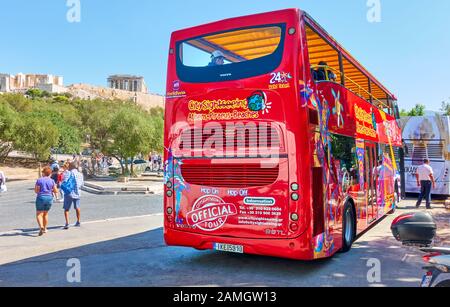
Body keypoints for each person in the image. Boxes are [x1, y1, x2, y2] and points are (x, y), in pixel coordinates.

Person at [35, 166, 58, 236]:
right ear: (50, 173)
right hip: (49, 197)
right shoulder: (52, 181)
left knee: (39, 213)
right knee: (46, 213)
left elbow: (36, 190)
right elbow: (55, 190)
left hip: (41, 197)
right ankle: (45, 228)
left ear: (44, 173)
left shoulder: (39, 180)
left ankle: (41, 227)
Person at [62, 162, 85, 230]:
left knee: (66, 209)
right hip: (77, 193)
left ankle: (67, 223)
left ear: (71, 166)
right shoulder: (80, 174)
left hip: (69, 192)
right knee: (77, 207)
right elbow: (82, 184)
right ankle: (78, 221)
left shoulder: (68, 173)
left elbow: (65, 181)